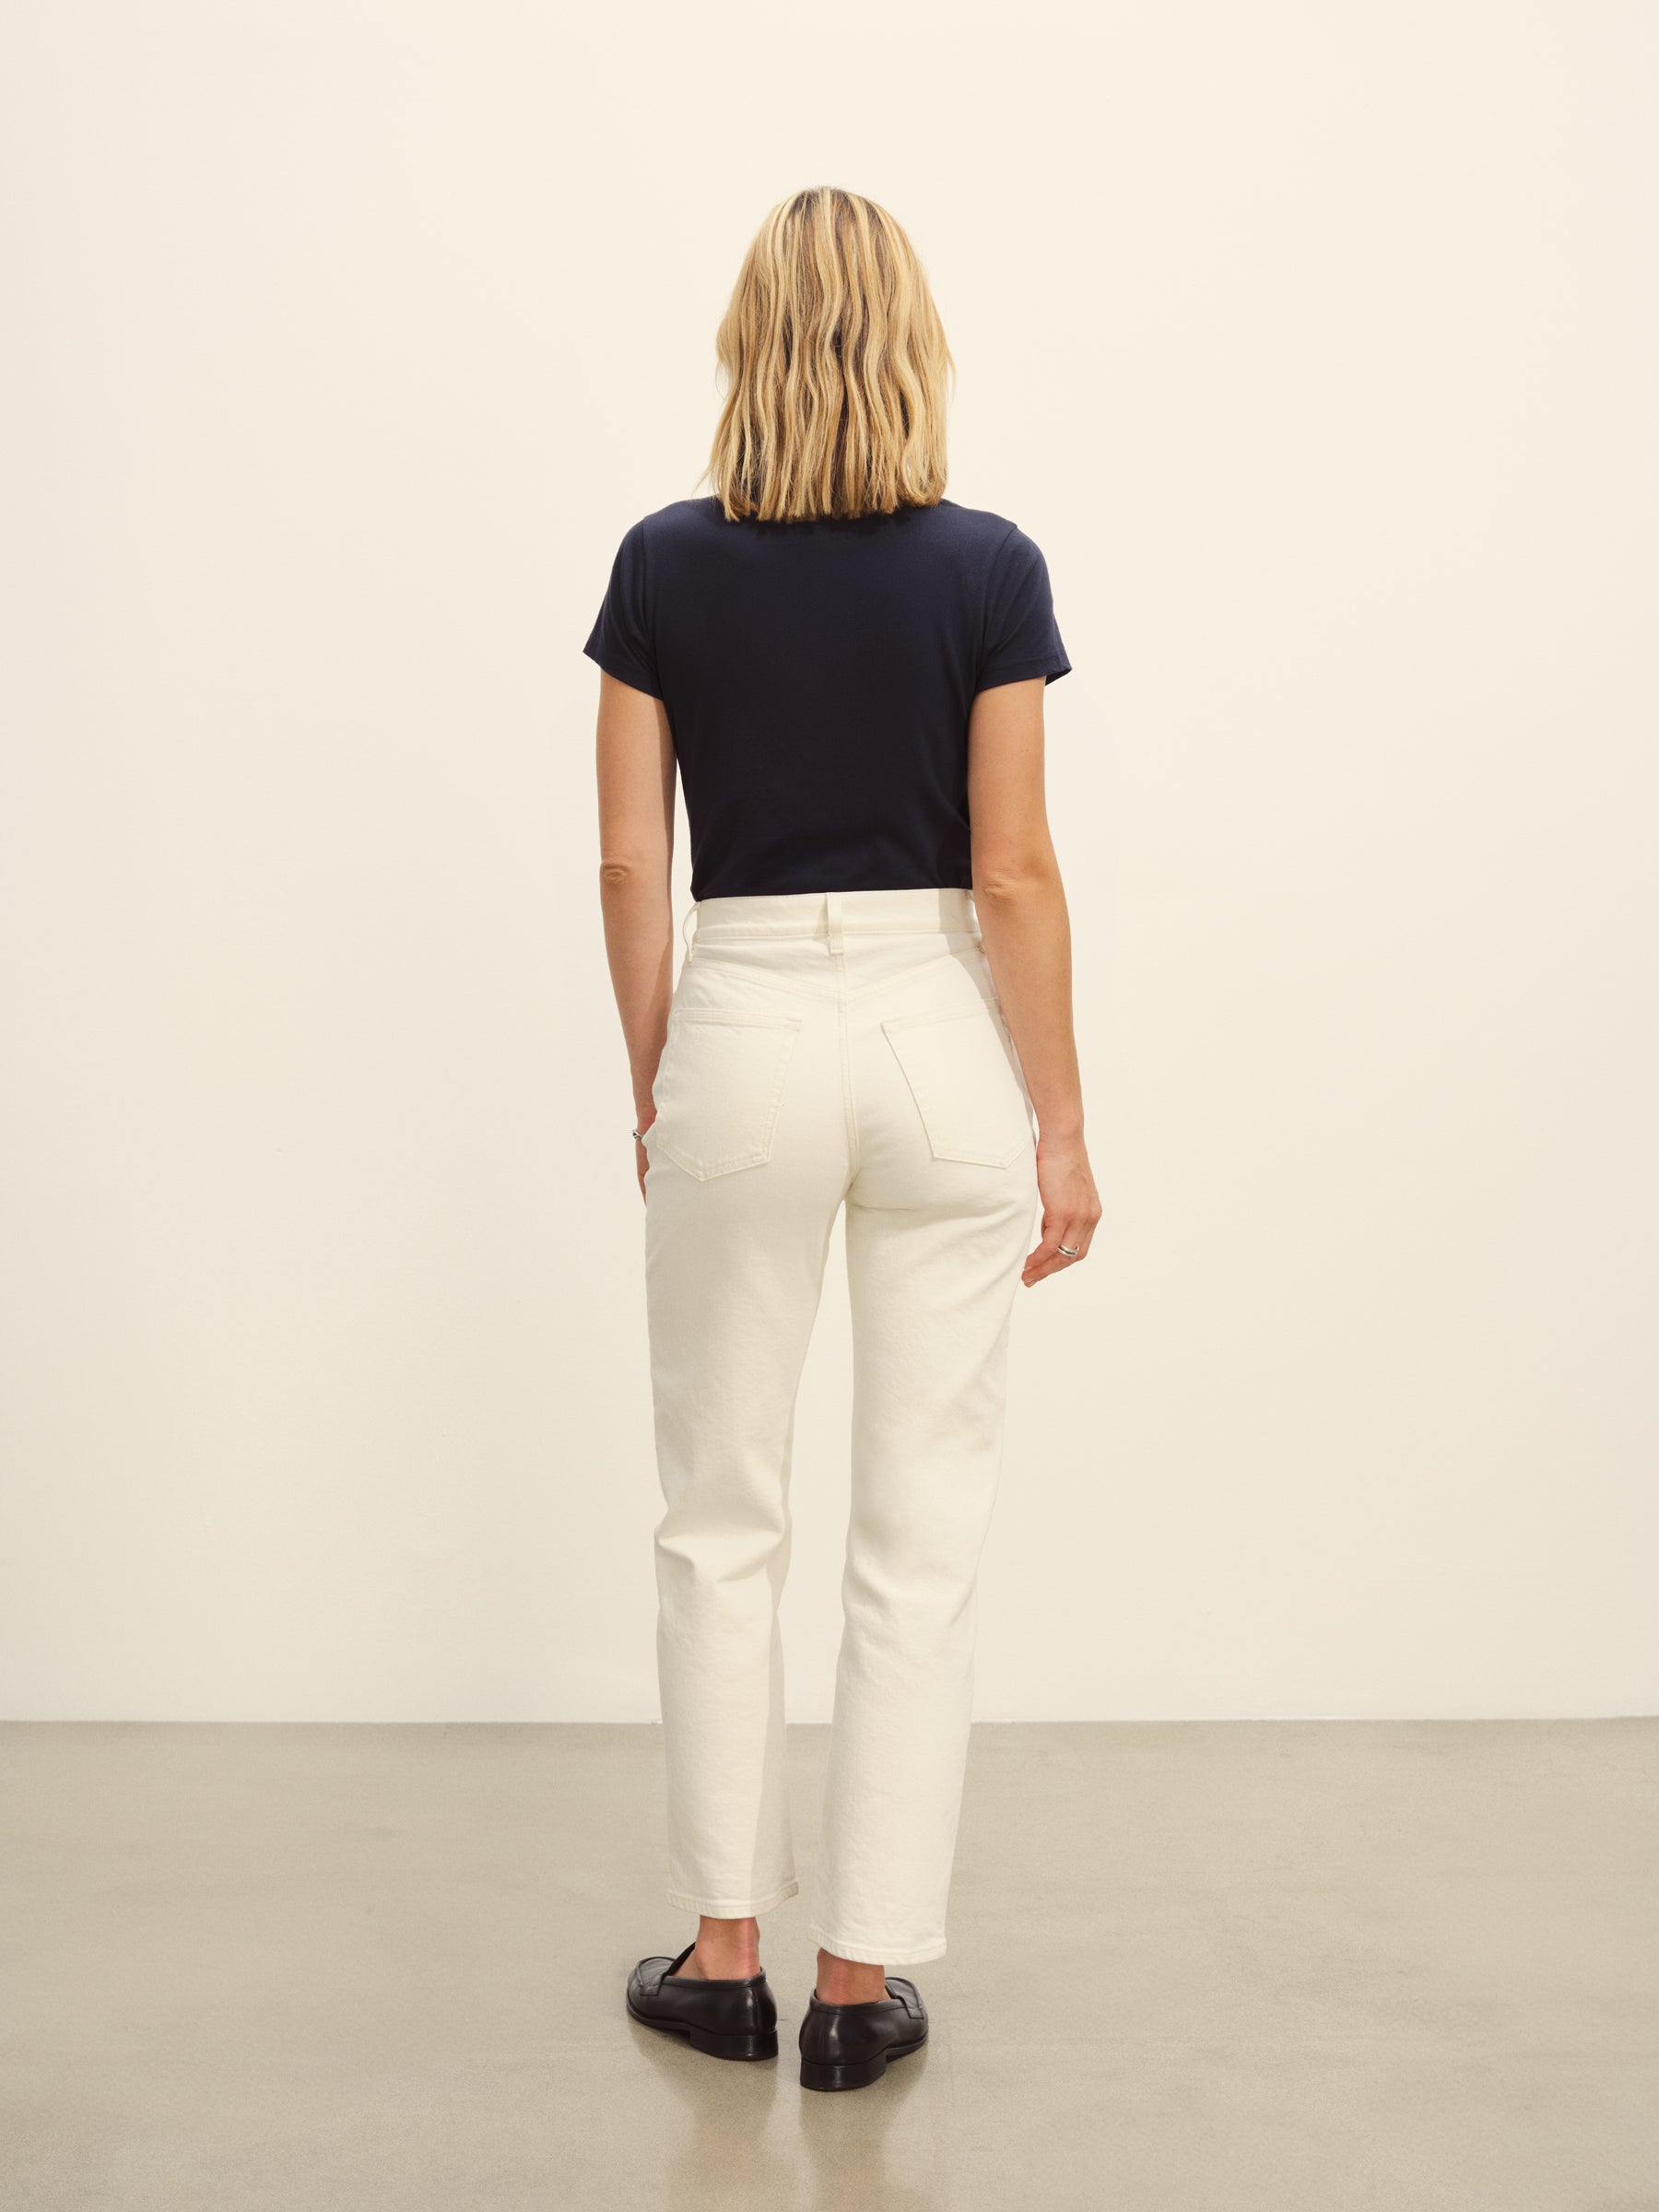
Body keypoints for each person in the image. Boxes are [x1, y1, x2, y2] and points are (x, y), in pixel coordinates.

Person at [586, 185, 1100, 2093]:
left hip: (739, 1016)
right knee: (919, 1531)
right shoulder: (989, 569)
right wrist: (1062, 1123)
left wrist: (660, 1081)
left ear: (747, 344)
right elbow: (1015, 871)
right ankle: (858, 1987)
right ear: (913, 345)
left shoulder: (661, 565)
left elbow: (629, 861)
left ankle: (724, 1957)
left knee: (721, 1510)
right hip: (936, 1025)